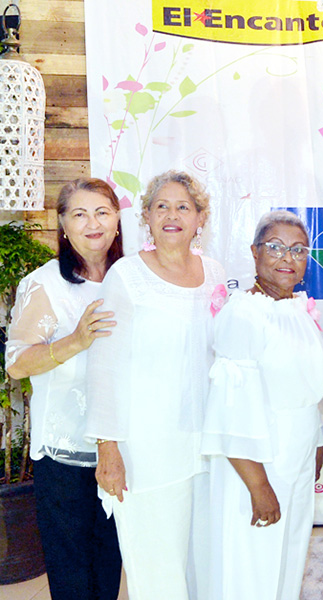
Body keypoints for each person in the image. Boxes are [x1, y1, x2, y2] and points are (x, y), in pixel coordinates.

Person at [85, 170, 226, 600]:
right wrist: (108, 447)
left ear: (200, 218)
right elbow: (103, 367)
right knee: (156, 571)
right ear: (146, 216)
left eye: (183, 206)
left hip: (206, 445)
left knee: (204, 565)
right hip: (146, 450)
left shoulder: (215, 272)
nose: (172, 215)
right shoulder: (126, 277)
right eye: (161, 206)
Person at [5, 179, 124, 600]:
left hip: (125, 449)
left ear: (117, 220)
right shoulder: (44, 285)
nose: (92, 223)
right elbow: (17, 365)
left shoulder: (131, 281)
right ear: (63, 225)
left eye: (102, 212)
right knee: (73, 575)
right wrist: (75, 340)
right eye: (79, 214)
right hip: (66, 453)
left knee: (110, 565)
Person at [201, 210, 323, 599]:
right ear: (255, 253)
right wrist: (259, 487)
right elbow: (229, 409)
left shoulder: (295, 310)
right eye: (275, 247)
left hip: (296, 462)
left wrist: (317, 447)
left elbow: (308, 391)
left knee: (287, 562)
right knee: (251, 570)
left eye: (298, 249)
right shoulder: (245, 313)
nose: (287, 258)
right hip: (257, 465)